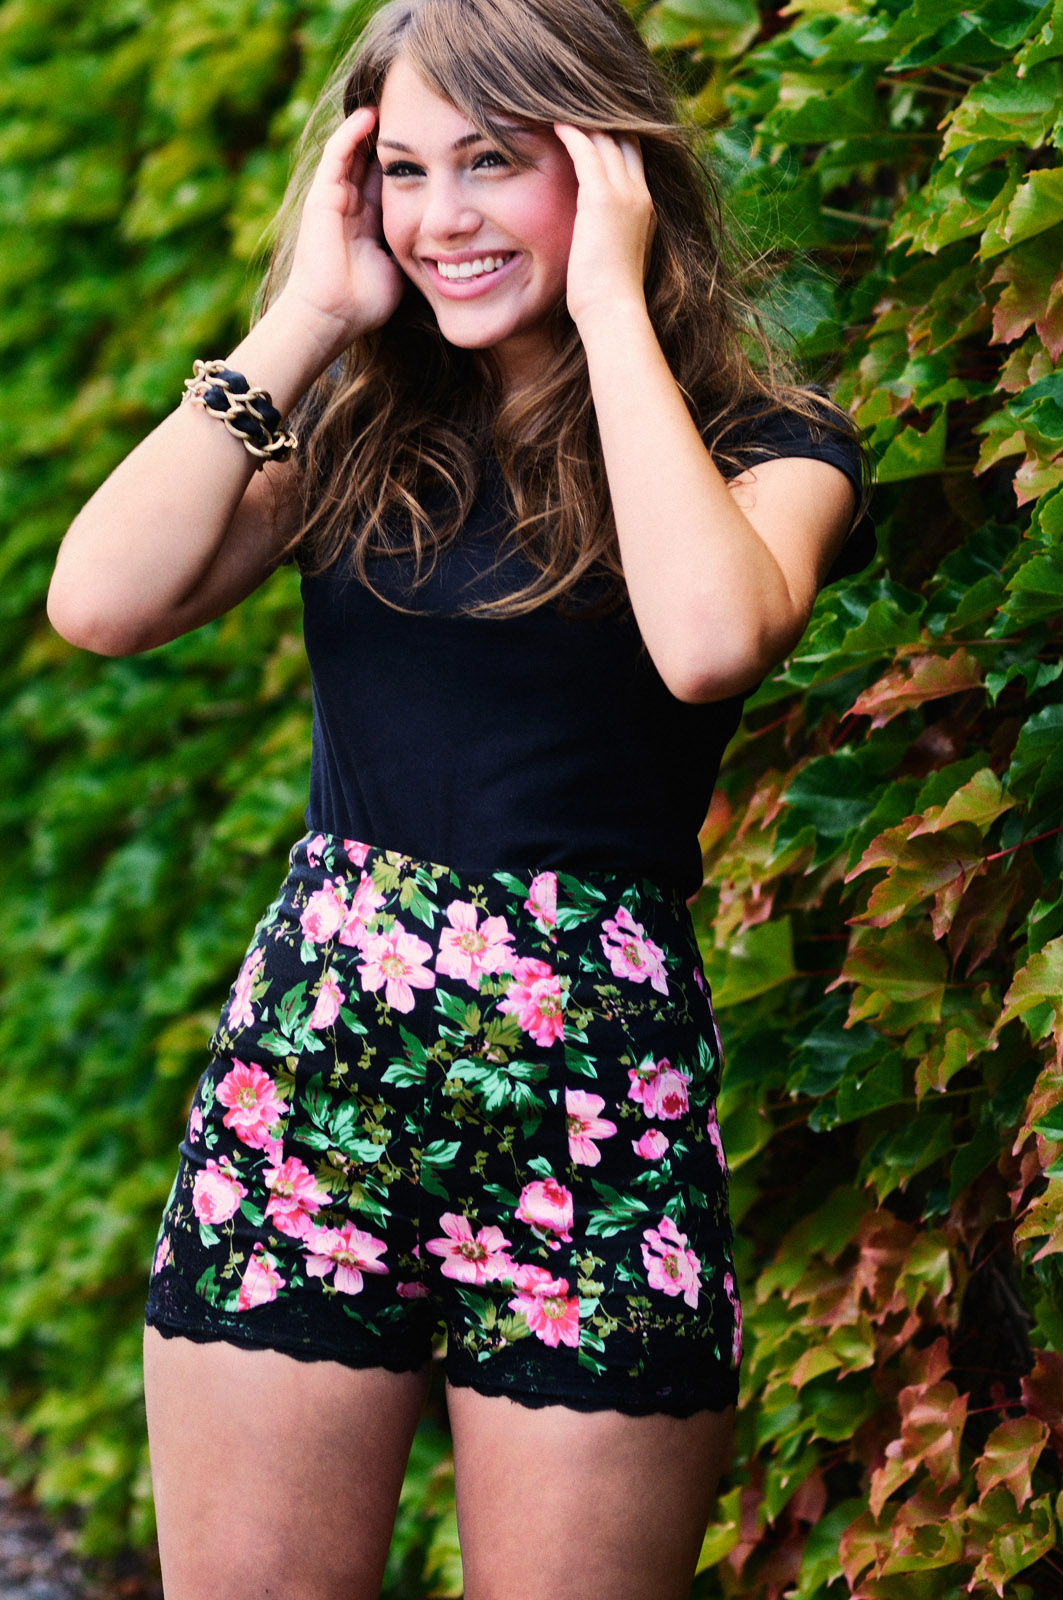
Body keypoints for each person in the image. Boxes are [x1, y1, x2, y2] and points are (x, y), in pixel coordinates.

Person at [47, 1, 871, 1595]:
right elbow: (99, 599)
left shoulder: (770, 447)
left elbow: (710, 644)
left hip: (595, 1107)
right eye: (405, 172)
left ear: (609, 164)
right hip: (317, 1075)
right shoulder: (359, 432)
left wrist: (615, 306)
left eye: (493, 164)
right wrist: (304, 316)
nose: (440, 220)